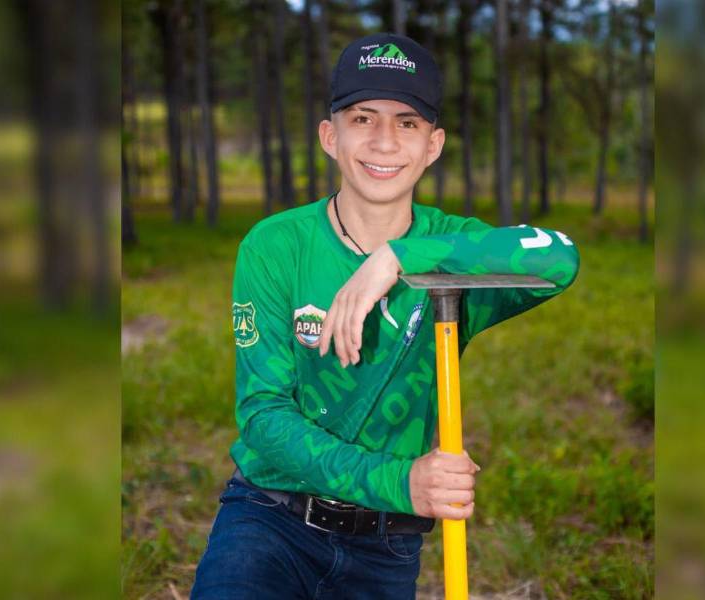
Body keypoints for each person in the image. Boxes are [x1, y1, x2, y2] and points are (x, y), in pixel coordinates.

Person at [191, 32, 580, 599]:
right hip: (269, 519)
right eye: (362, 118)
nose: (384, 141)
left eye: (407, 123)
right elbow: (263, 418)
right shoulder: (275, 247)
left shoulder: (454, 248)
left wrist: (398, 258)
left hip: (385, 545)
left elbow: (560, 257)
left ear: (433, 145)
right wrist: (401, 481)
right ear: (330, 136)